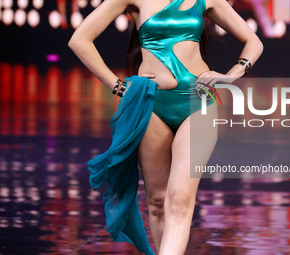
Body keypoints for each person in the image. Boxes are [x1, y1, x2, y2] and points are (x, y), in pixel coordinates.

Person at [68, 0, 263, 254]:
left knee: (180, 198)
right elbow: (79, 40)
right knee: (158, 201)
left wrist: (232, 74)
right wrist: (118, 86)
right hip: (151, 104)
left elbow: (254, 42)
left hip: (198, 102)